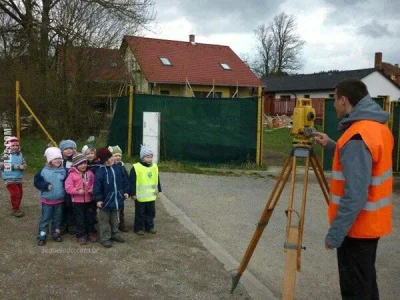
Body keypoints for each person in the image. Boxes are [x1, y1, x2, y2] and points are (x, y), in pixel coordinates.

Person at [313, 78, 393, 299]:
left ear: (344, 100)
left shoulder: (357, 136)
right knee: (365, 283)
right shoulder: (376, 128)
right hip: (370, 224)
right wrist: (332, 145)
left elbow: (355, 193)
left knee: (356, 291)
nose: (333, 105)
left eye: (334, 99)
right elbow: (365, 162)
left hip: (356, 229)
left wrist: (335, 233)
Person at [93, 147, 130, 248]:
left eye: (109, 158)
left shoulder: (119, 168)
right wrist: (98, 199)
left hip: (117, 199)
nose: (108, 162)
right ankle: (105, 238)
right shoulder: (100, 172)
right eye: (105, 161)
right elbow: (97, 187)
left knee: (115, 219)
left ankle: (115, 234)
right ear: (101, 161)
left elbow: (125, 181)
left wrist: (126, 191)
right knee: (104, 221)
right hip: (105, 201)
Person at [34, 147, 67, 246]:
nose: (57, 160)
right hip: (47, 200)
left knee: (57, 219)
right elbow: (37, 182)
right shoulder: (43, 171)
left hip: (60, 200)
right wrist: (45, 185)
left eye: (59, 158)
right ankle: (42, 236)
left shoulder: (64, 171)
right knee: (45, 219)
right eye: (54, 159)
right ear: (49, 160)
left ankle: (56, 233)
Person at [129, 144, 162, 236]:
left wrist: (158, 189)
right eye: (147, 157)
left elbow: (156, 178)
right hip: (140, 196)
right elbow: (132, 181)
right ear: (142, 157)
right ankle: (139, 228)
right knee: (140, 213)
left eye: (151, 157)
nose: (150, 159)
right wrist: (133, 193)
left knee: (151, 212)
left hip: (151, 196)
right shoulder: (136, 168)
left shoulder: (154, 167)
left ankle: (149, 227)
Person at [65, 153, 96, 245]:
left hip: (89, 200)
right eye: (80, 163)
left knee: (90, 218)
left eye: (85, 163)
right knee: (80, 219)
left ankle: (91, 233)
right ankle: (80, 235)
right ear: (75, 164)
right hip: (77, 202)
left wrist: (92, 189)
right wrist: (77, 191)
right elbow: (68, 188)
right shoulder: (71, 175)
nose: (83, 165)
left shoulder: (90, 173)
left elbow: (94, 182)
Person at [0, 136, 27, 217]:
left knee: (20, 193)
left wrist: (24, 166)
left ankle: (17, 207)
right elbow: (2, 165)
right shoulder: (5, 155)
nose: (15, 147)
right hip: (9, 178)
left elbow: (24, 163)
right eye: (13, 145)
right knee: (15, 194)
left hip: (18, 177)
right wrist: (16, 166)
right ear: (8, 146)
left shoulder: (20, 154)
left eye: (16, 145)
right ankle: (15, 209)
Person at [108, 145, 129, 232]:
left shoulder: (122, 166)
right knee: (111, 211)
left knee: (121, 209)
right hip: (111, 193)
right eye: (115, 155)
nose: (118, 157)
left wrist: (126, 191)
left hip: (120, 192)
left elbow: (126, 180)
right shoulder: (108, 167)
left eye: (119, 156)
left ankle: (121, 224)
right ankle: (111, 226)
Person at [59, 139, 77, 234]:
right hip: (61, 187)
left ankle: (71, 224)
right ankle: (61, 224)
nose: (69, 150)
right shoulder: (58, 160)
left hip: (72, 188)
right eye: (66, 148)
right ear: (61, 150)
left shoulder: (75, 160)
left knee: (71, 206)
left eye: (71, 148)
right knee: (61, 207)